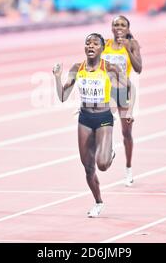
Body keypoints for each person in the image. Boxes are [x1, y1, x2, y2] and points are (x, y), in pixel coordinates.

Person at [53, 33, 126, 217]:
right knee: (87, 167)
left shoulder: (109, 67)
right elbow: (63, 97)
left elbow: (126, 88)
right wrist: (57, 77)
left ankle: (109, 150)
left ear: (102, 48)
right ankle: (98, 201)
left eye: (95, 43)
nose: (91, 46)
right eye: (88, 43)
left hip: (103, 117)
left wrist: (126, 110)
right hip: (85, 118)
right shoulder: (78, 68)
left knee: (102, 164)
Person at [102, 15, 142, 187]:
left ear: (127, 28)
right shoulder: (105, 44)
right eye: (116, 25)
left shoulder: (132, 44)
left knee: (126, 133)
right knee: (104, 124)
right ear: (111, 27)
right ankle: (108, 149)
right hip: (107, 91)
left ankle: (128, 169)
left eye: (122, 25)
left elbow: (139, 68)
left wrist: (128, 50)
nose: (119, 27)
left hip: (124, 90)